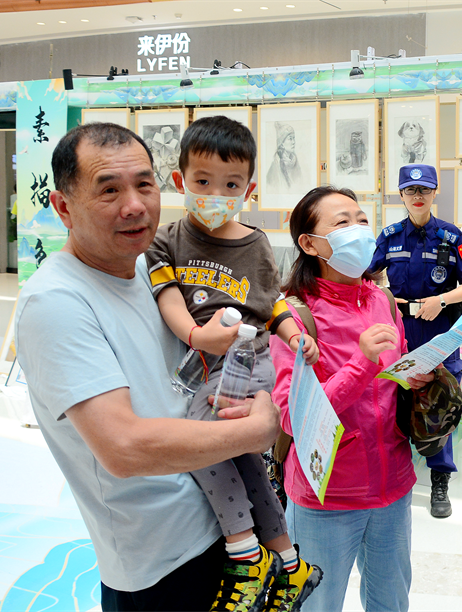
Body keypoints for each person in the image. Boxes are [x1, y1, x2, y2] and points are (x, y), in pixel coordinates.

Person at [14, 122, 281, 611]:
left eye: (144, 183)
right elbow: (124, 447)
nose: (134, 204)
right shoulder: (57, 301)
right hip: (160, 561)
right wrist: (255, 432)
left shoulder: (147, 266)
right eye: (109, 189)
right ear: (63, 208)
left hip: (219, 524)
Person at [144, 116, 321, 612]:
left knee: (202, 439)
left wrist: (294, 334)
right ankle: (289, 562)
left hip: (249, 360)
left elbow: (272, 305)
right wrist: (199, 336)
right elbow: (169, 299)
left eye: (230, 185)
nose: (214, 193)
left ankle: (244, 553)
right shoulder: (166, 241)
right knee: (245, 462)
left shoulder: (255, 243)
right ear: (180, 181)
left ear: (249, 188)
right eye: (202, 182)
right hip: (207, 359)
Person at [270, 185, 431, 612]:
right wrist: (360, 364)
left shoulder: (383, 301)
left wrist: (418, 378)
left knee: (391, 602)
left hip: (393, 487)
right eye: (342, 222)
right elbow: (291, 418)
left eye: (361, 220)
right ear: (309, 243)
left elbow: (392, 381)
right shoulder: (295, 316)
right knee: (316, 605)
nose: (359, 230)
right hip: (327, 497)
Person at [368, 164, 462, 519]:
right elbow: (367, 277)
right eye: (410, 191)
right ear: (401, 195)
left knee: (438, 406)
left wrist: (444, 299)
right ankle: (394, 474)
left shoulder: (451, 236)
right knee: (393, 404)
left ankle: (439, 481)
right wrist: (385, 295)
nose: (417, 197)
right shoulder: (389, 236)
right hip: (400, 331)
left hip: (440, 333)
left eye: (424, 190)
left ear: (435, 193)